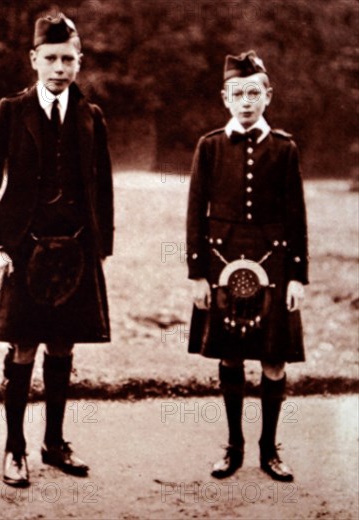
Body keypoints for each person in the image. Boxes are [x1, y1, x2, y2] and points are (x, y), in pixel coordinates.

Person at [0, 13, 113, 487]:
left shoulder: (91, 117)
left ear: (79, 61)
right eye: (50, 58)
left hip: (73, 254)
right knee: (23, 346)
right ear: (34, 59)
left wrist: (101, 246)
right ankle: (15, 448)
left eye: (68, 58)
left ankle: (54, 442)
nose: (59, 67)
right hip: (22, 252)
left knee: (63, 344)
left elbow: (103, 187)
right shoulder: (11, 111)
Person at [186, 50, 308, 482]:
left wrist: (297, 276)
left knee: (275, 359)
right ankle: (233, 446)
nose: (246, 101)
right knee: (231, 355)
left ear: (268, 96)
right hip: (221, 265)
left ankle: (269, 449)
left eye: (254, 92)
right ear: (225, 98)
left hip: (274, 268)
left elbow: (297, 216)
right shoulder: (210, 146)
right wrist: (197, 273)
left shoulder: (285, 148)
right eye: (238, 93)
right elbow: (195, 211)